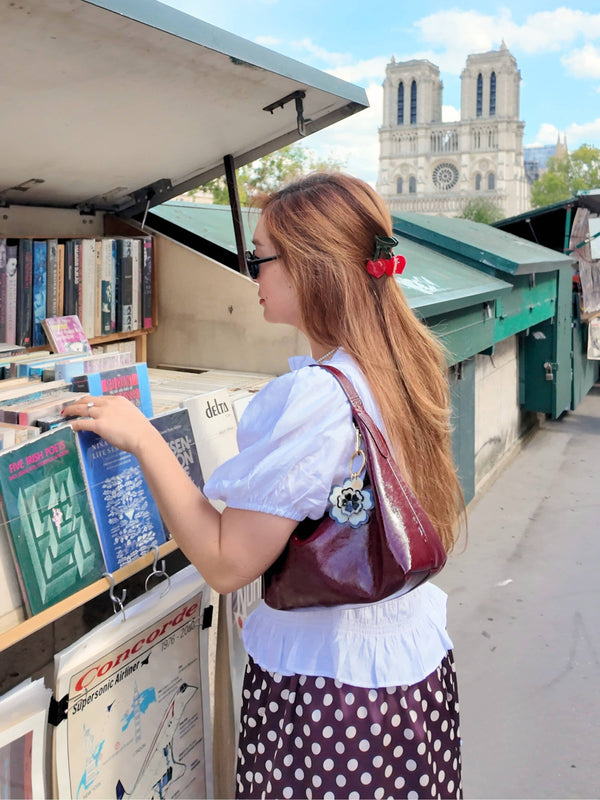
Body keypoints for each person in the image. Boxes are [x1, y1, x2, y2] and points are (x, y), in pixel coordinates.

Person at [66, 172, 463, 800]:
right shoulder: (398, 364)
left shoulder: (317, 397)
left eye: (261, 258)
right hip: (404, 682)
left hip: (332, 701)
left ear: (311, 267)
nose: (252, 275)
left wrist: (143, 438)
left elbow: (227, 562)